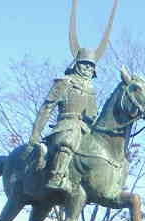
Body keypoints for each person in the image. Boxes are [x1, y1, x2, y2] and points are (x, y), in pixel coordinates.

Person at [29, 48, 98, 192]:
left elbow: (93, 115)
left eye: (91, 65)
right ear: (76, 64)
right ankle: (56, 176)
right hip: (66, 125)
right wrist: (35, 134)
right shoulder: (64, 83)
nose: (88, 68)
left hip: (85, 129)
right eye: (85, 63)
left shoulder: (91, 90)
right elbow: (47, 107)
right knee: (70, 138)